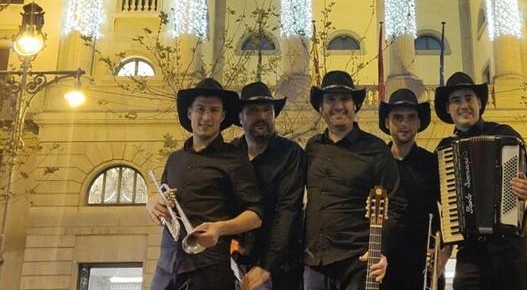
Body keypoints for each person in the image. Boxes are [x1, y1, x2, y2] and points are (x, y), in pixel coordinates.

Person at [434, 72, 527, 290]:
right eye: (456, 100)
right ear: (449, 110)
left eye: (469, 98)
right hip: (471, 254)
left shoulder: (505, 134)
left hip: (512, 249)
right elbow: (436, 198)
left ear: (479, 102)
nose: (464, 105)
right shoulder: (445, 150)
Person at [147, 78, 264, 290]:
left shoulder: (235, 158)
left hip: (210, 270)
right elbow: (165, 199)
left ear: (223, 116)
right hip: (167, 267)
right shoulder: (175, 159)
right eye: (200, 109)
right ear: (190, 113)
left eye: (214, 110)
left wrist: (220, 228)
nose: (207, 117)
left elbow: (255, 216)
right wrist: (152, 202)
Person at [304, 70, 407, 290]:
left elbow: (396, 204)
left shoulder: (376, 150)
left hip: (358, 261)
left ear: (355, 106)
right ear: (321, 108)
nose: (338, 105)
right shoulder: (312, 147)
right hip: (315, 261)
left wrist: (382, 249)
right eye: (331, 99)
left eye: (344, 99)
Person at [231, 81, 306, 290]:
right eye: (253, 111)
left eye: (267, 110)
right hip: (232, 262)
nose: (261, 116)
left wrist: (266, 265)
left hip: (278, 267)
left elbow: (288, 212)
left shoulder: (291, 153)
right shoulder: (230, 153)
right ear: (240, 117)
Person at [379, 88, 448, 290]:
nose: (404, 124)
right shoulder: (376, 162)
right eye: (398, 117)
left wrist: (446, 250)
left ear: (418, 123)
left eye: (411, 118)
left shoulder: (432, 162)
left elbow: (451, 208)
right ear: (386, 122)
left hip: (424, 265)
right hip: (385, 262)